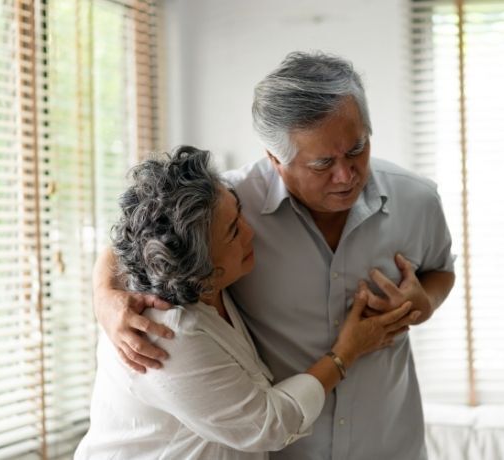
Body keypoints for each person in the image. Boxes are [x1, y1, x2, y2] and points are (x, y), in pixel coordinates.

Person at [94, 52, 455, 459]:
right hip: (288, 447)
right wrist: (105, 297)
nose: (347, 174)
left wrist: (424, 303)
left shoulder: (417, 199)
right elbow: (139, 240)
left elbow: (441, 272)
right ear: (274, 158)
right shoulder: (225, 209)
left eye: (357, 148)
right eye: (323, 163)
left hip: (390, 442)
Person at [76, 146, 417, 459]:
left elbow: (142, 231)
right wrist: (347, 351)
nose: (250, 230)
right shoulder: (167, 335)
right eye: (233, 233)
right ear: (199, 269)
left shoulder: (203, 273)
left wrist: (102, 291)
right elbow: (268, 425)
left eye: (238, 212)